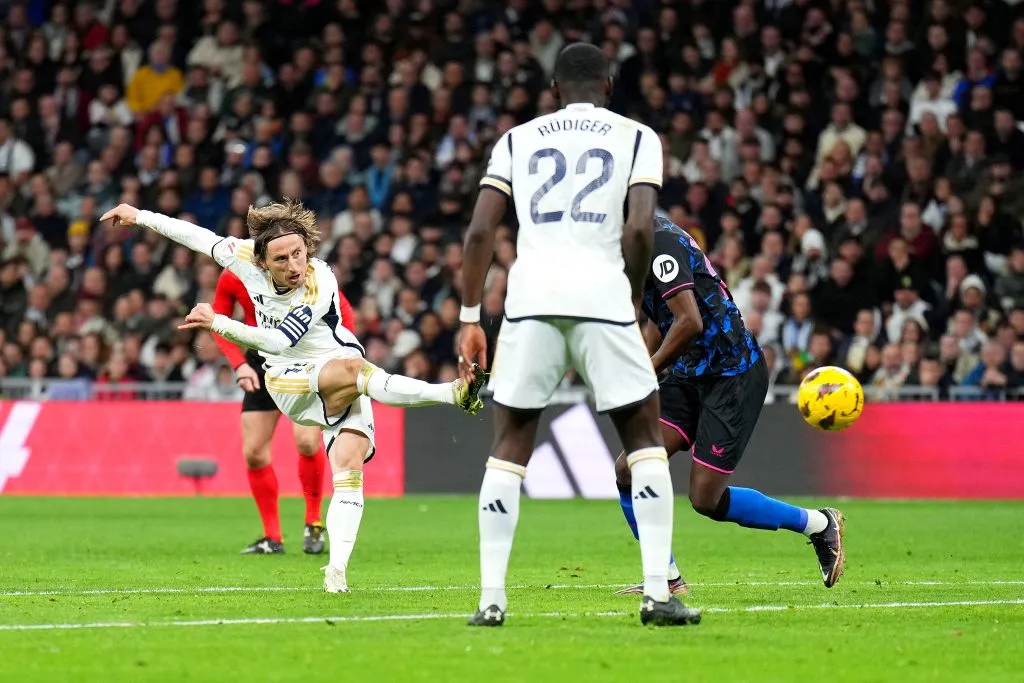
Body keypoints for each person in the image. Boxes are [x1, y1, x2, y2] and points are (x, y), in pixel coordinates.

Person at [100, 201, 487, 593]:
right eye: (282, 259)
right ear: (263, 262)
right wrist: (140, 216)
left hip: (334, 368)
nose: (294, 266)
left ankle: (336, 573)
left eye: (299, 254)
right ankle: (454, 394)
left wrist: (219, 322)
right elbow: (199, 238)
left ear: (309, 249)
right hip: (288, 380)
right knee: (352, 375)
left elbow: (279, 337)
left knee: (349, 470)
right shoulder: (243, 257)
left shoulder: (320, 281)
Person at [458, 44, 700, 627]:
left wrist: (470, 317)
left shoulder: (516, 140)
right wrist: (631, 293)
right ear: (610, 85)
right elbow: (640, 227)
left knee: (510, 443)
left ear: (554, 89)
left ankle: (491, 600)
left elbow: (480, 232)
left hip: (531, 300)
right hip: (602, 298)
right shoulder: (638, 137)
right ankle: (657, 595)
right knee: (644, 440)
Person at [612, 217, 846, 595]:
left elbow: (689, 322)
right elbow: (660, 314)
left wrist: (648, 370)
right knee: (628, 468)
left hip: (732, 373)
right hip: (690, 372)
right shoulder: (634, 245)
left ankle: (819, 524)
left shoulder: (661, 244)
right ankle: (665, 578)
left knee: (706, 499)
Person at [212, 267, 355, 555]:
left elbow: (343, 309)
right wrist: (239, 365)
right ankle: (271, 537)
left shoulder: (302, 271)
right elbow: (218, 321)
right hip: (260, 361)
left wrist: (337, 354)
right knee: (253, 453)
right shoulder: (233, 275)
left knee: (306, 441)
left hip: (304, 359)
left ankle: (313, 521)